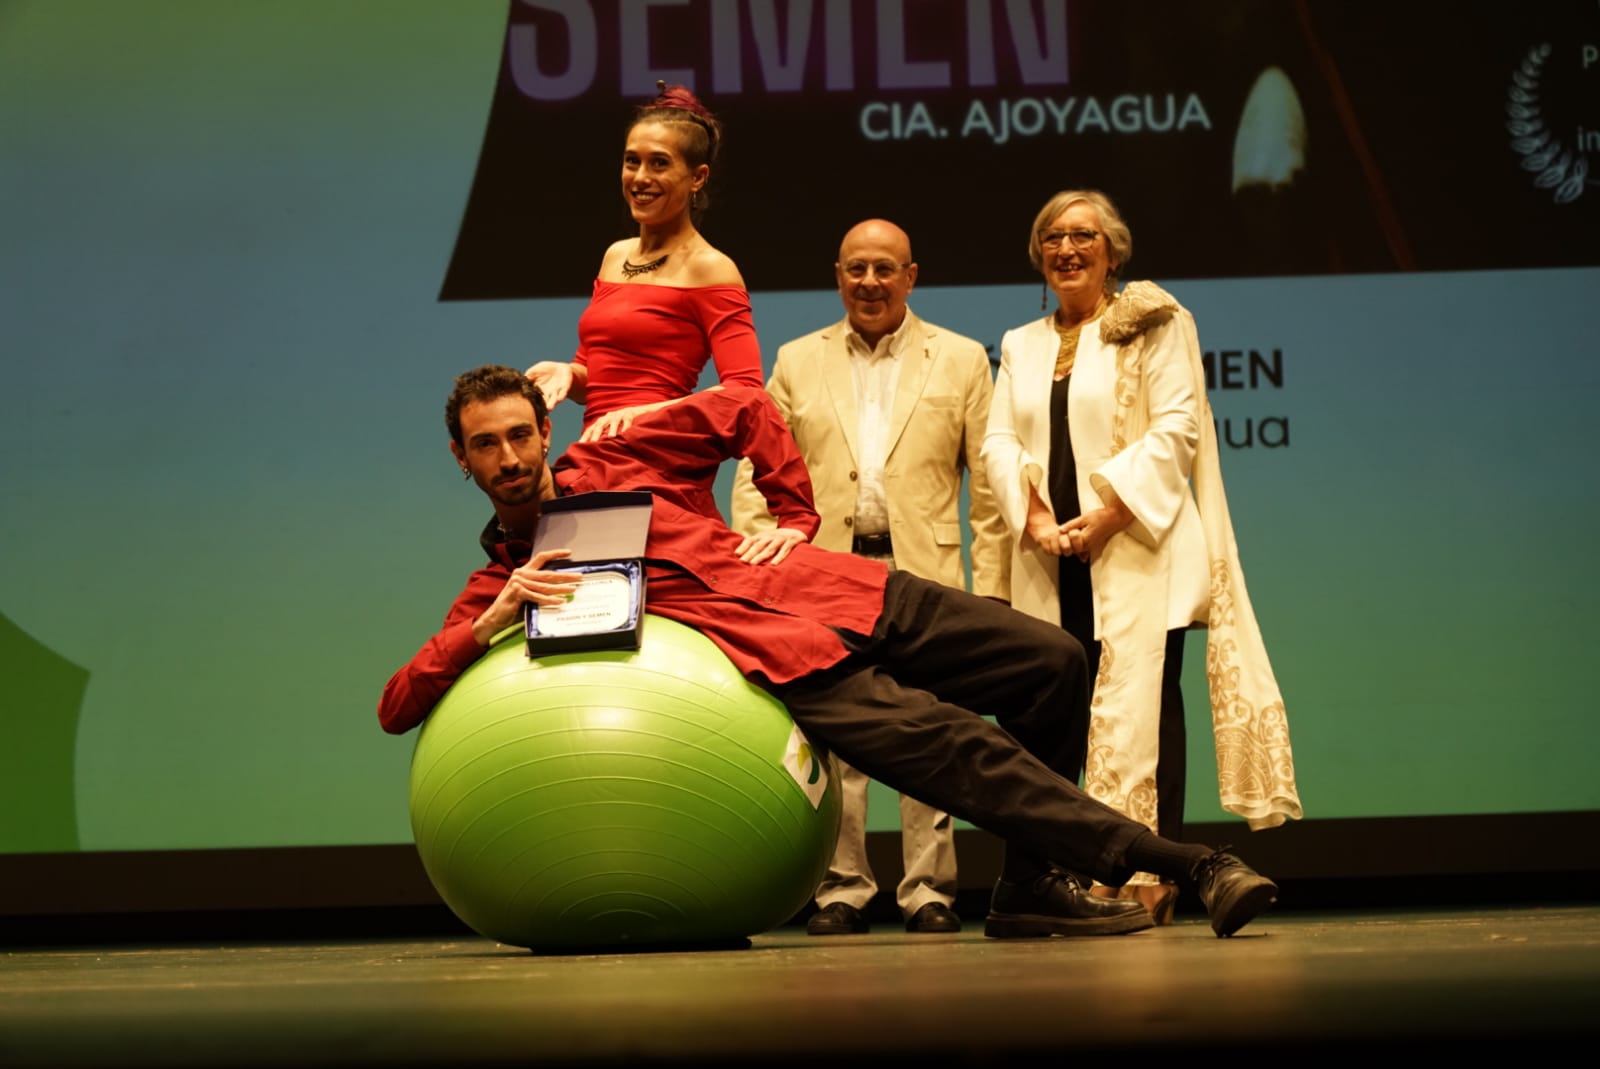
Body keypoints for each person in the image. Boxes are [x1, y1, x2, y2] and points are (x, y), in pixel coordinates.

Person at [380, 365, 1282, 940]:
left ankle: (1030, 883)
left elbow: (742, 407)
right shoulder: (511, 581)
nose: (508, 455)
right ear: (461, 460)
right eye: (484, 444)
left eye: (518, 433)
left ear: (544, 431)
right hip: (790, 665)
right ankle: (1186, 864)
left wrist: (794, 515)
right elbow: (398, 703)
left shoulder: (618, 457)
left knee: (1050, 658)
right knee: (966, 752)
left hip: (834, 588)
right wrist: (492, 618)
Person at [981, 190, 1302, 923]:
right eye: (1053, 237)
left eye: (1083, 236)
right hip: (1050, 553)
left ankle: (1151, 874)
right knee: (1053, 717)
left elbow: (1177, 430)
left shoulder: (1152, 324)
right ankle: (1056, 876)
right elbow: (1000, 440)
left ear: (1113, 251)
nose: (1067, 249)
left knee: (1147, 709)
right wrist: (1035, 518)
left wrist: (1106, 514)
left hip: (1133, 547)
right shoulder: (1022, 343)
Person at [729, 219, 1007, 937]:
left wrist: (994, 591)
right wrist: (761, 564)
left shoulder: (961, 359)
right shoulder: (796, 360)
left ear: (911, 276)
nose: (870, 282)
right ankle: (841, 888)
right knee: (840, 732)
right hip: (823, 572)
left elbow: (993, 482)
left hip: (927, 571)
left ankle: (929, 889)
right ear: (837, 274)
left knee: (932, 730)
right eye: (856, 269)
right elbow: (757, 475)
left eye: (885, 269)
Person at [525, 82, 763, 441]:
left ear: (697, 177)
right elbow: (602, 378)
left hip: (660, 461)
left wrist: (647, 413)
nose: (640, 178)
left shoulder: (711, 268)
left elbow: (746, 394)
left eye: (659, 164)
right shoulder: (615, 256)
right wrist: (570, 374)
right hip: (598, 454)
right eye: (632, 160)